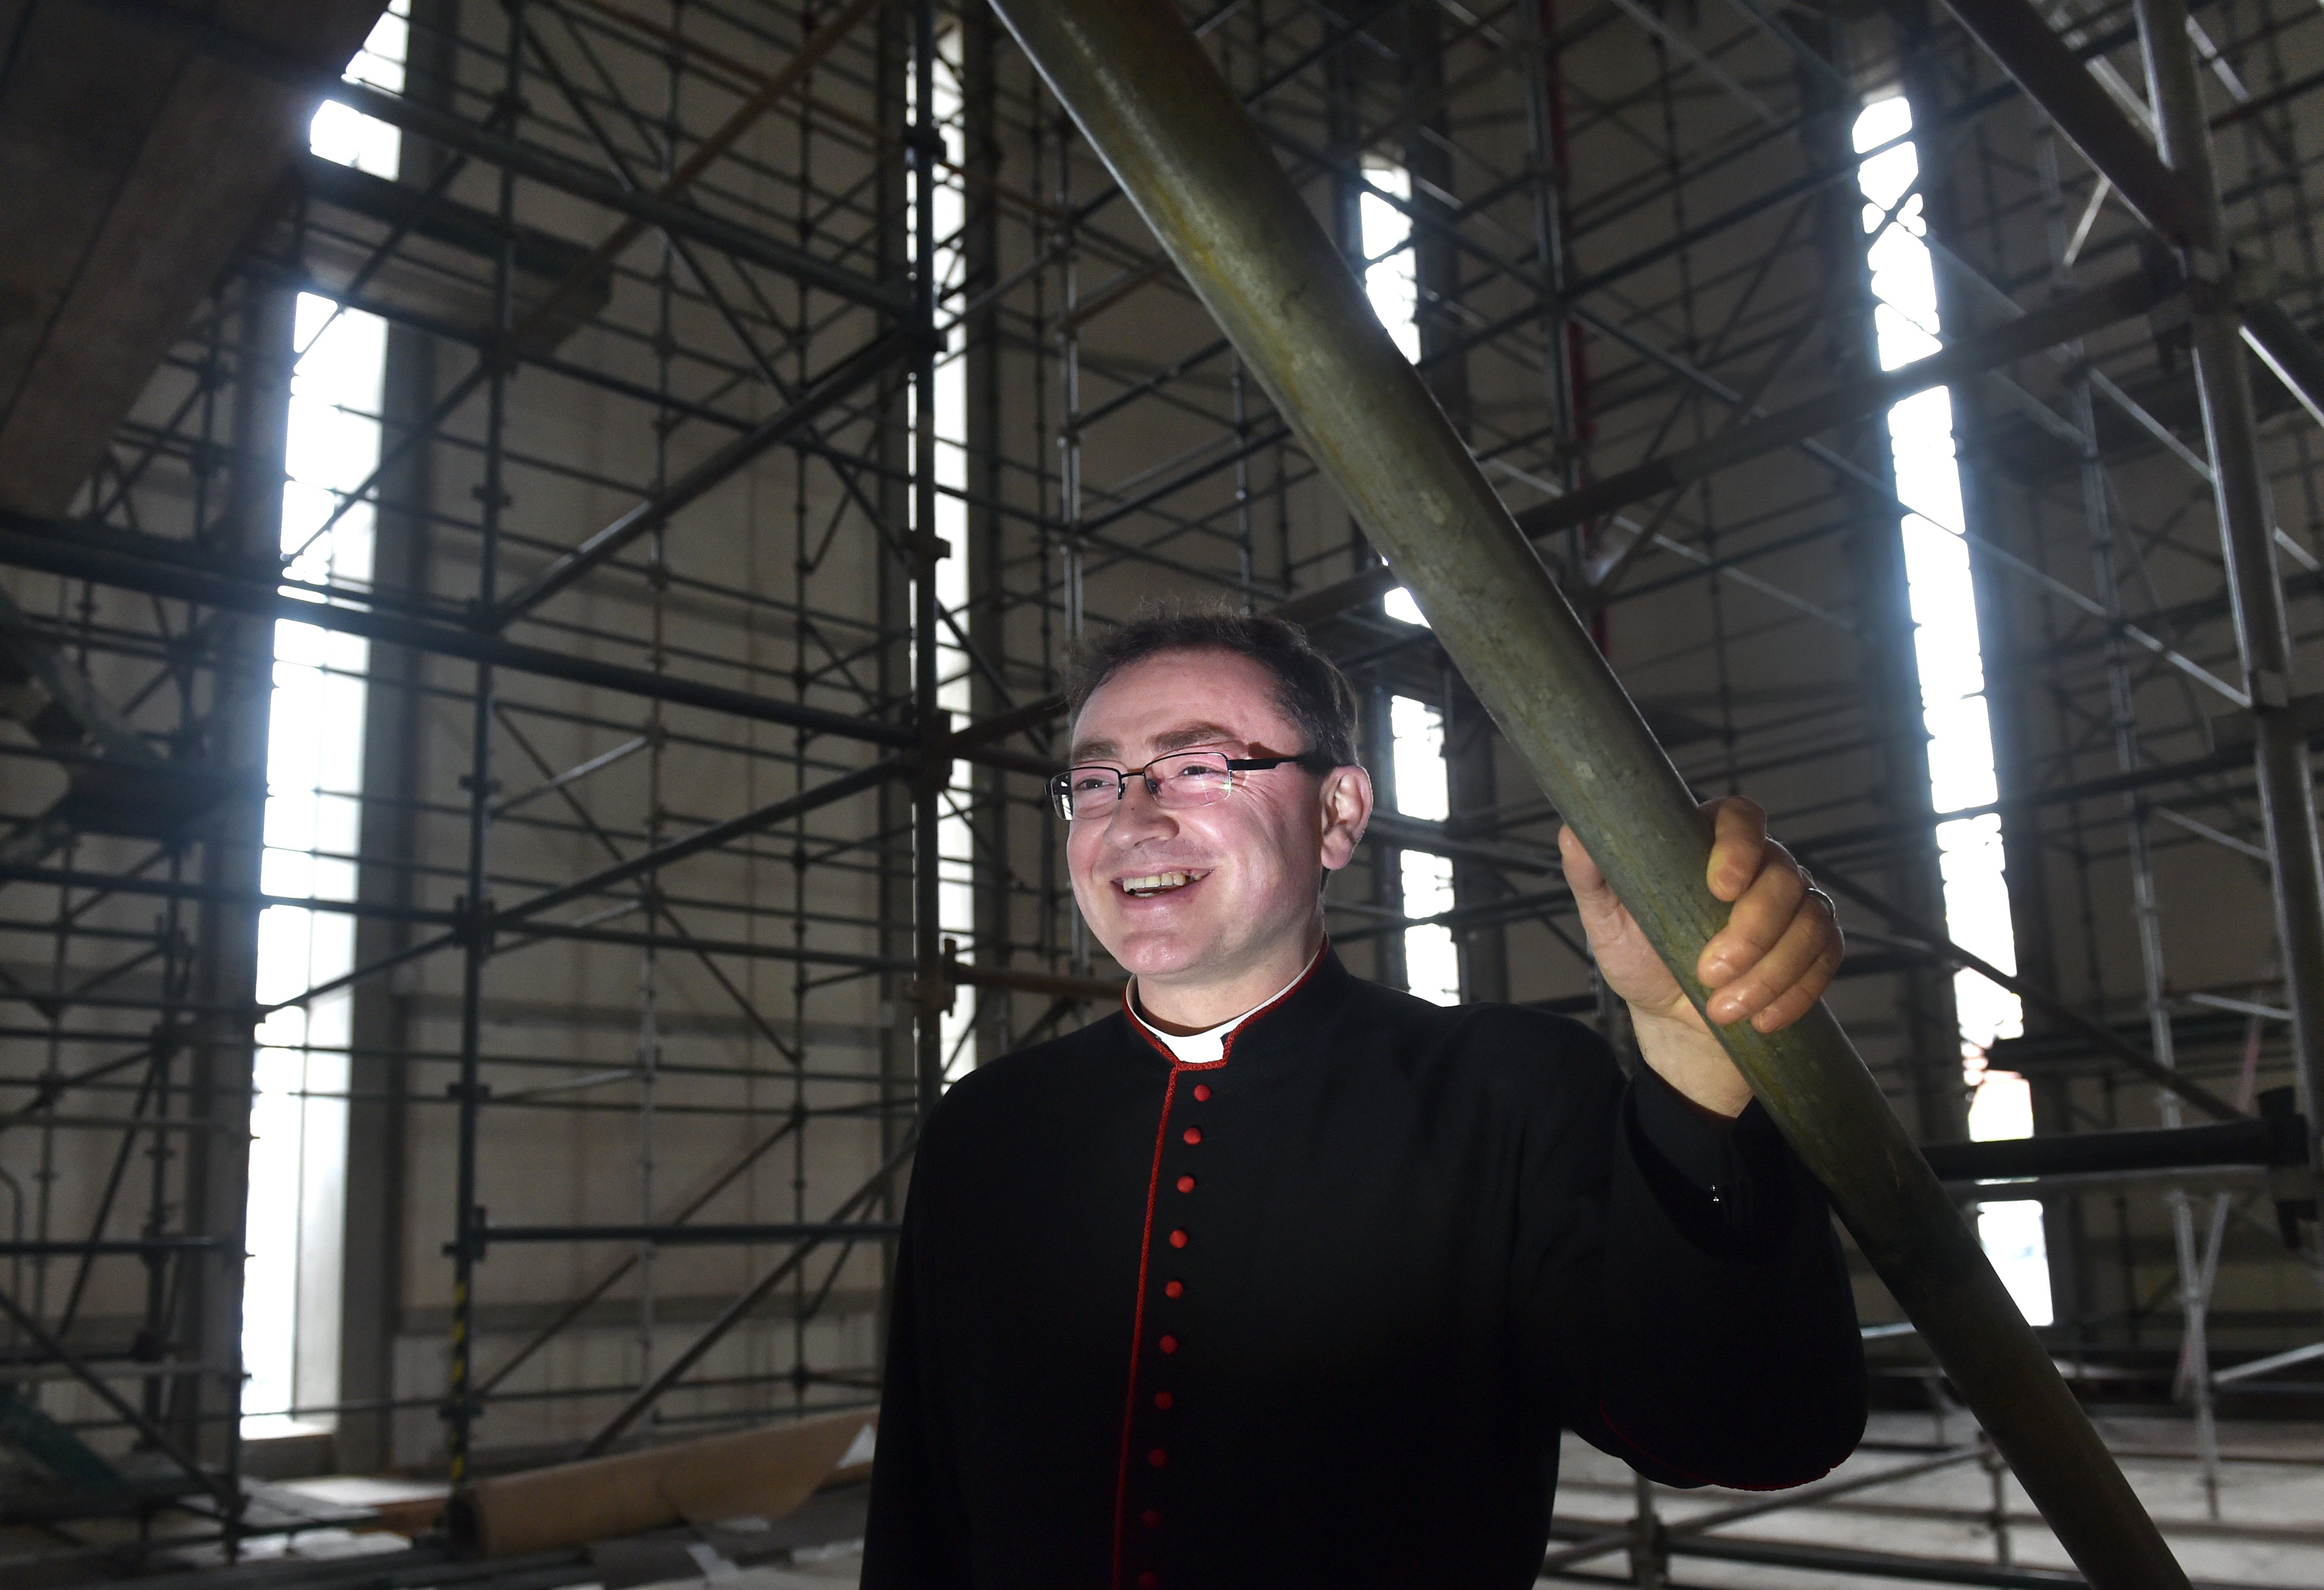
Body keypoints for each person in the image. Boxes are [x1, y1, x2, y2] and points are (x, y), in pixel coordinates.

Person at [861, 608, 1864, 1589]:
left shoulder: (1508, 1087)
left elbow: (1743, 1429)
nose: (1132, 820)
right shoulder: (985, 1129)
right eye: (1094, 779)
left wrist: (1697, 1056)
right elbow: (921, 1512)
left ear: (1337, 813)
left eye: (1199, 766)